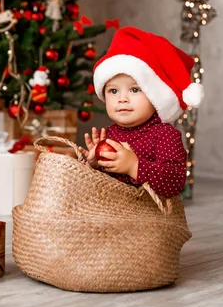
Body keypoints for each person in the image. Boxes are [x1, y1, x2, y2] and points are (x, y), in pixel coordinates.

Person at [78, 26, 204, 198]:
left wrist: (133, 166)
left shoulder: (164, 135)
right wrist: (93, 164)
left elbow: (174, 183)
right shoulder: (108, 134)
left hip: (147, 220)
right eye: (113, 91)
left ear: (154, 96)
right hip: (111, 216)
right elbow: (97, 188)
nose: (122, 99)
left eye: (134, 90)